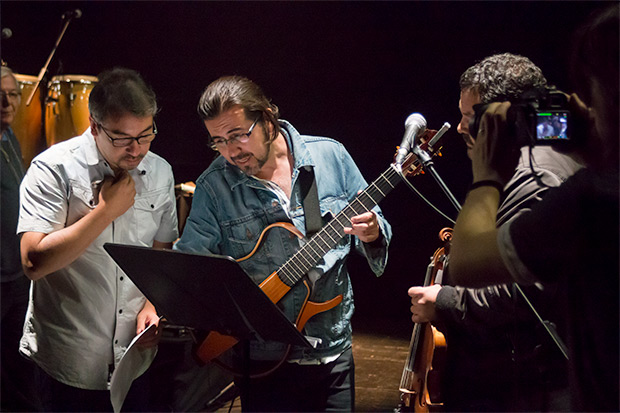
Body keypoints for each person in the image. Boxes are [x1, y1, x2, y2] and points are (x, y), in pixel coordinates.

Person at [174, 75, 392, 412]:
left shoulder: (330, 156)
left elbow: (376, 225)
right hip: (263, 361)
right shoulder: (214, 186)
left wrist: (373, 232)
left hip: (332, 351)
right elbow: (191, 266)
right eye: (218, 141)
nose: (231, 152)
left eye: (238, 136)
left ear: (268, 119)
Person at [448, 5, 619, 412]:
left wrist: (487, 176)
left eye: (472, 118)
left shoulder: (587, 196)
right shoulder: (587, 169)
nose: (460, 128)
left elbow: (467, 263)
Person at [407, 53, 582, 411]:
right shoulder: (528, 162)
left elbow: (528, 288)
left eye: (470, 117)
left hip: (529, 392)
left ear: (505, 118)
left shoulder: (537, 178)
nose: (458, 128)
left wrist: (444, 301)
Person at [17, 67, 179, 411]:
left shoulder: (161, 170)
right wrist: (105, 211)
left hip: (133, 359)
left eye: (146, 134)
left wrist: (152, 305)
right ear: (94, 126)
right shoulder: (52, 168)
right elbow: (33, 262)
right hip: (69, 358)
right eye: (122, 138)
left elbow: (161, 250)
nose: (136, 150)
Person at [1, 66, 42, 412]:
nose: (7, 102)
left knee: (18, 369)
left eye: (13, 94)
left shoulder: (9, 137)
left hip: (14, 275)